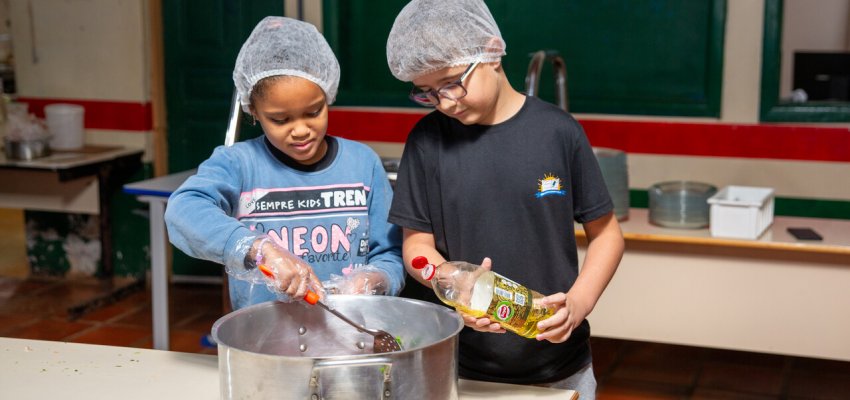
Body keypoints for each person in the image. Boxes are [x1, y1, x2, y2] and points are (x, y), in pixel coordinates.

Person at [385, 0, 624, 397]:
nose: (444, 102)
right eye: (427, 93)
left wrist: (580, 303)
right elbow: (417, 247)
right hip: (461, 366)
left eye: (450, 83)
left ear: (492, 53)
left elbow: (607, 235)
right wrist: (451, 282)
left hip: (559, 365)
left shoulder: (558, 132)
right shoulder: (426, 141)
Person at [165, 16, 404, 311]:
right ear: (253, 111)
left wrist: (376, 278)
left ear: (328, 95)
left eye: (314, 112)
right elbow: (183, 211)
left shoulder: (362, 164)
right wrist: (258, 248)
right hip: (265, 337)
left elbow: (390, 254)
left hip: (348, 333)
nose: (301, 130)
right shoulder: (239, 163)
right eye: (280, 119)